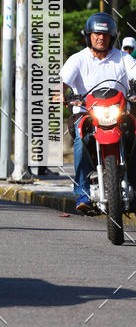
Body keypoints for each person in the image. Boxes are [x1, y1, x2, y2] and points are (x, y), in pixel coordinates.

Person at [61, 12, 136, 213]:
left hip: (118, 113)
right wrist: (60, 95)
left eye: (105, 35)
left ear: (112, 37)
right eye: (96, 34)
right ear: (89, 36)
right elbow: (62, 84)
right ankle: (82, 194)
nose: (100, 38)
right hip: (86, 113)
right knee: (80, 139)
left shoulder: (123, 58)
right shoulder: (77, 59)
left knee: (135, 135)